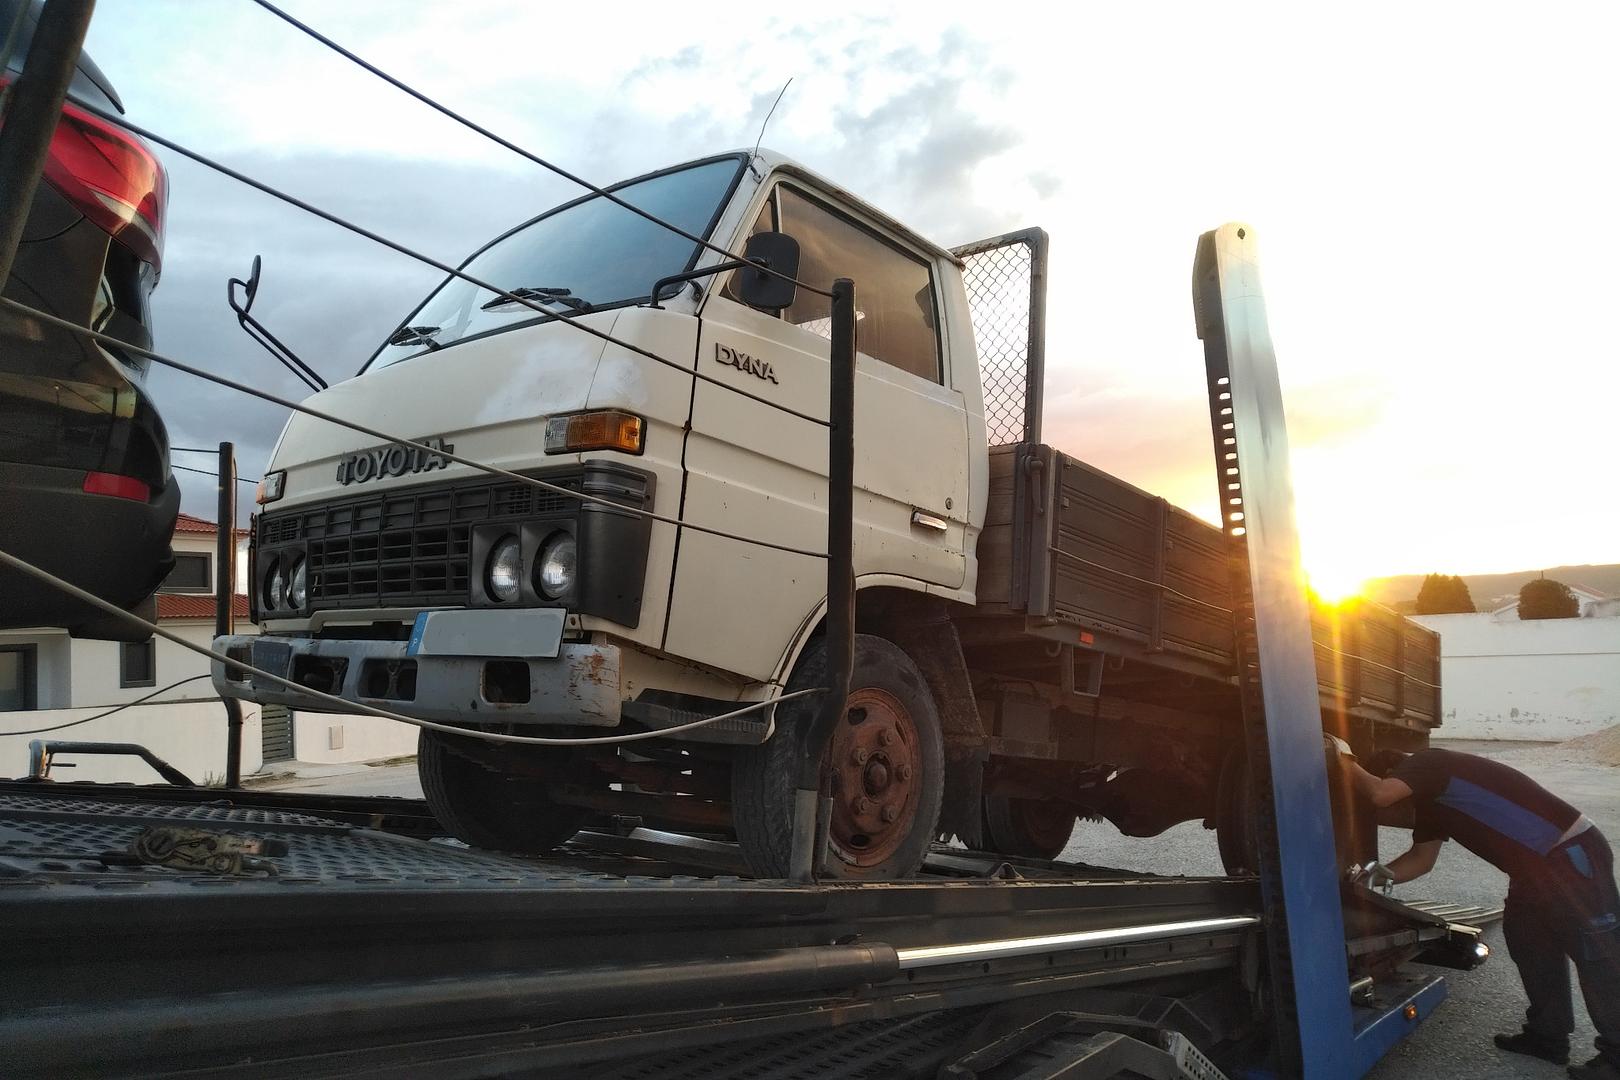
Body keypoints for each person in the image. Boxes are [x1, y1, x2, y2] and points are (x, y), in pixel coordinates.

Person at [1333, 744, 1620, 1080]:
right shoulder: (1430, 803)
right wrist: (1375, 876)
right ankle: (1547, 1037)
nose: (1392, 812)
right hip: (1532, 870)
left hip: (1569, 853)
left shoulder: (1429, 762)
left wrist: (1340, 756)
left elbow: (1380, 794)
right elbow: (1421, 860)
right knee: (1530, 946)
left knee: (1597, 957)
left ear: (1397, 772)